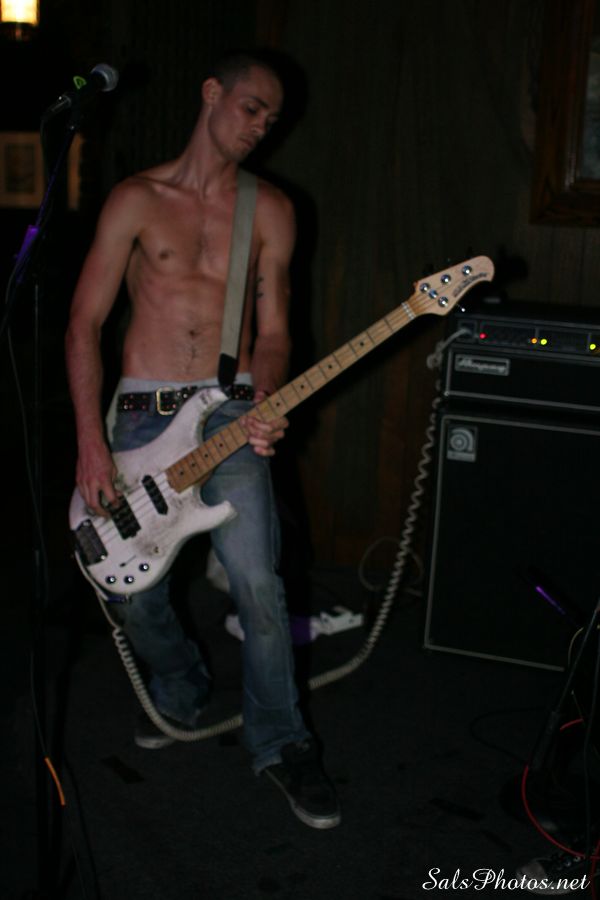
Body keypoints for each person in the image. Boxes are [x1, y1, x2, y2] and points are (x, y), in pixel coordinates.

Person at [65, 50, 340, 830]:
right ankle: (181, 685)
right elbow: (83, 323)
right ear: (211, 92)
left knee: (258, 581)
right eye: (252, 108)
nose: (262, 127)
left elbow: (276, 333)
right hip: (139, 414)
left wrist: (267, 397)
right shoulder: (135, 199)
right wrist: (89, 442)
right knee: (133, 593)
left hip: (229, 416)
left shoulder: (271, 210)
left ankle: (282, 744)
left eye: (272, 119)